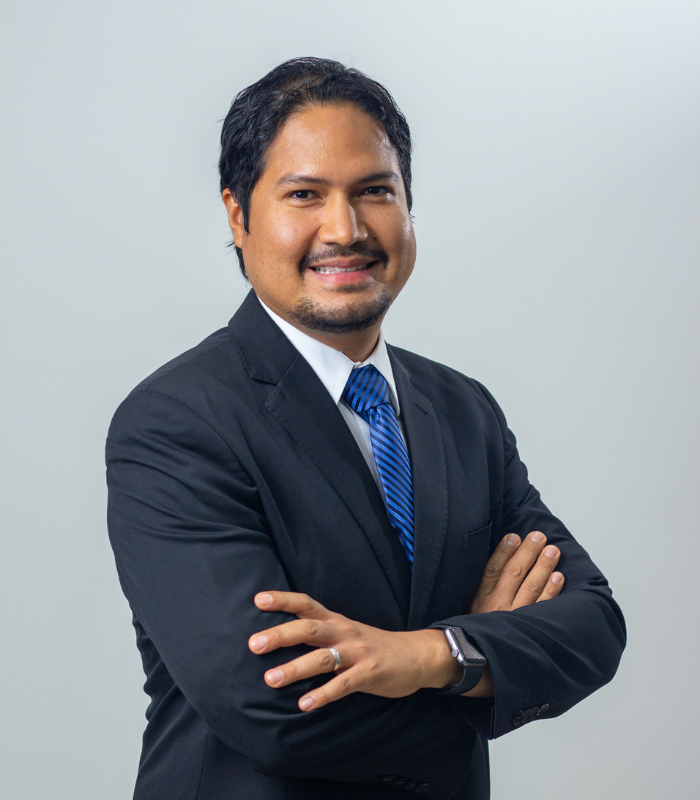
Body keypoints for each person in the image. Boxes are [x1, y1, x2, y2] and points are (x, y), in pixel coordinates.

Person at [106, 58, 626, 800]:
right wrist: (484, 667)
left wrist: (428, 655)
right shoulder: (178, 422)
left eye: (375, 191)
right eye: (305, 195)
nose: (345, 230)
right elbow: (275, 709)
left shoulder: (463, 410)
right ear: (237, 215)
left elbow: (594, 627)